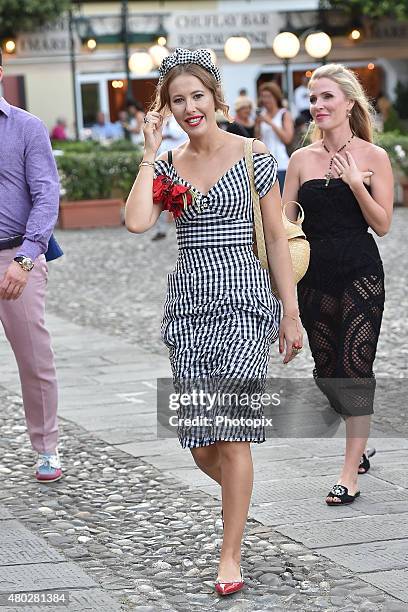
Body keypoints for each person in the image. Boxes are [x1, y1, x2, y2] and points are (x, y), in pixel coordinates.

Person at [125, 48, 302, 595]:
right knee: (203, 445)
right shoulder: (169, 163)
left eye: (196, 96)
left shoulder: (253, 155)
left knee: (231, 435)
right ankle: (241, 500)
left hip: (246, 306)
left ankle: (230, 556)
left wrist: (289, 314)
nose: (188, 108)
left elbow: (275, 237)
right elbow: (136, 222)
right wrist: (149, 153)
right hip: (189, 311)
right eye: (177, 101)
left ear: (215, 97)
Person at [283, 63, 393, 505]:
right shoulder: (300, 160)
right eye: (313, 98)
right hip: (314, 279)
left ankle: (349, 473)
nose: (319, 105)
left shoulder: (373, 157)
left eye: (327, 97)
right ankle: (359, 439)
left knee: (354, 369)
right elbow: (285, 228)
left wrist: (355, 184)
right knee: (329, 374)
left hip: (360, 273)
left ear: (349, 102)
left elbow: (382, 224)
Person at [0, 50, 62, 482]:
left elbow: (46, 195)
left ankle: (47, 449)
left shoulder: (26, 127)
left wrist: (25, 258)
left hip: (16, 255)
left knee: (34, 360)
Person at [152, 115, 189, 241]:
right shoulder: (158, 121)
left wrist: (166, 128)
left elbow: (179, 135)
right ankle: (161, 229)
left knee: (183, 197)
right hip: (163, 166)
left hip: (180, 165)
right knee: (158, 196)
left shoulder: (179, 119)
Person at [255, 81, 294, 193]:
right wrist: (257, 125)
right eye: (262, 96)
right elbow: (258, 140)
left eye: (268, 96)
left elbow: (287, 138)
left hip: (281, 165)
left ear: (276, 97)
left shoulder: (284, 114)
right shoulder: (261, 114)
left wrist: (269, 122)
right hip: (264, 166)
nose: (265, 100)